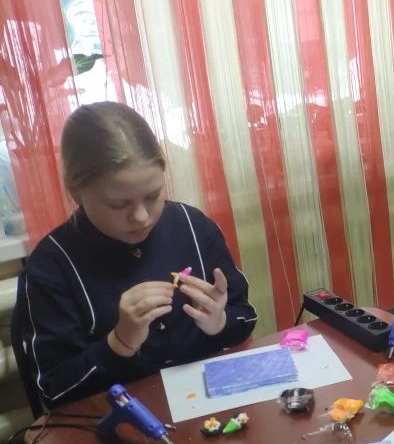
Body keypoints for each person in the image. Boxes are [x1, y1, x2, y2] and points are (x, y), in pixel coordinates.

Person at [18, 101, 258, 407]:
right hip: (118, 423)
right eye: (118, 204)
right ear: (76, 193)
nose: (142, 217)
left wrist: (219, 322)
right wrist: (118, 342)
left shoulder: (194, 227)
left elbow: (245, 317)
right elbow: (53, 390)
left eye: (153, 195)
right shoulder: (51, 266)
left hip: (209, 410)